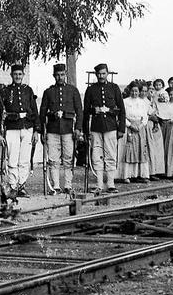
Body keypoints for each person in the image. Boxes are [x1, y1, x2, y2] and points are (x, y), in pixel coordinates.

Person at [39, 63, 82, 196]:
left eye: (62, 74)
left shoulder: (73, 91)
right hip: (52, 130)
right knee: (53, 159)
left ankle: (68, 185)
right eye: (57, 75)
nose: (60, 77)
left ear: (66, 75)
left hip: (69, 130)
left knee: (69, 158)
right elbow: (42, 113)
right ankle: (56, 186)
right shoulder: (48, 92)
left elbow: (79, 111)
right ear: (54, 76)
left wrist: (78, 128)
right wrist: (42, 131)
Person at [0, 65, 38, 199]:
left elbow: (35, 111)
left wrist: (36, 130)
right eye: (15, 74)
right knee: (12, 159)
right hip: (12, 127)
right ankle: (13, 186)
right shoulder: (6, 91)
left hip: (27, 127)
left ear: (23, 75)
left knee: (25, 159)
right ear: (11, 75)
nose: (18, 77)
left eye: (20, 74)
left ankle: (22, 186)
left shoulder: (28, 90)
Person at [83, 63, 125, 194]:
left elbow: (121, 110)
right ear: (96, 75)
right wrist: (86, 131)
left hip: (111, 126)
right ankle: (99, 184)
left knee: (111, 155)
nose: (101, 76)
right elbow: (86, 112)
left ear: (107, 73)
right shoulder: (91, 89)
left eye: (103, 73)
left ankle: (111, 184)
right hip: (96, 127)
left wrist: (121, 128)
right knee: (97, 156)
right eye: (99, 74)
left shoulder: (114, 88)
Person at [120, 81, 152, 182]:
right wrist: (130, 125)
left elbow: (146, 117)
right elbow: (122, 116)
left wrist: (141, 125)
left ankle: (141, 175)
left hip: (140, 128)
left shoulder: (143, 102)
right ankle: (127, 175)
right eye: (133, 91)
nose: (134, 93)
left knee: (141, 150)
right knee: (129, 150)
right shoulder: (125, 102)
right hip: (129, 127)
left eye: (136, 91)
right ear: (130, 91)